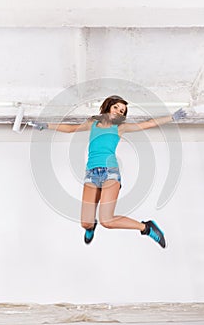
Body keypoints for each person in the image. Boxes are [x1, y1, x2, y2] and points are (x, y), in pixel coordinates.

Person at [30, 95, 186, 248]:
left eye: (122, 111)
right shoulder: (93, 122)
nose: (118, 111)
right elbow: (71, 129)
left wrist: (172, 117)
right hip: (91, 174)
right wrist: (45, 125)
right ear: (108, 106)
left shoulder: (120, 127)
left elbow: (148, 123)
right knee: (85, 222)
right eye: (116, 107)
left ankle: (147, 227)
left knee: (107, 220)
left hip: (110, 173)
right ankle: (91, 227)